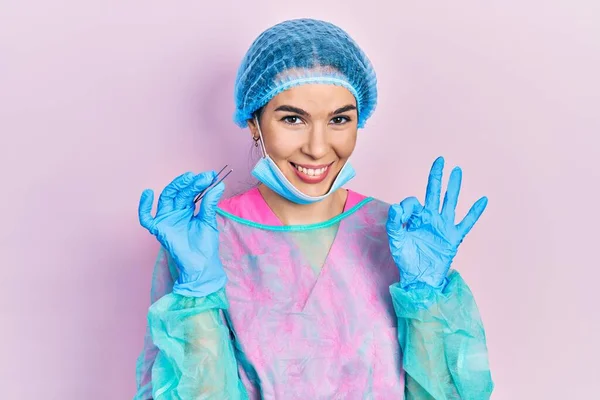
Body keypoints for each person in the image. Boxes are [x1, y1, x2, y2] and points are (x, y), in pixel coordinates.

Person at [133, 18, 494, 400]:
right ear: (255, 123)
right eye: (292, 119)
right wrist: (198, 296)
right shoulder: (204, 242)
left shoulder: (401, 238)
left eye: (339, 120)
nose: (318, 148)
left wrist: (425, 299)